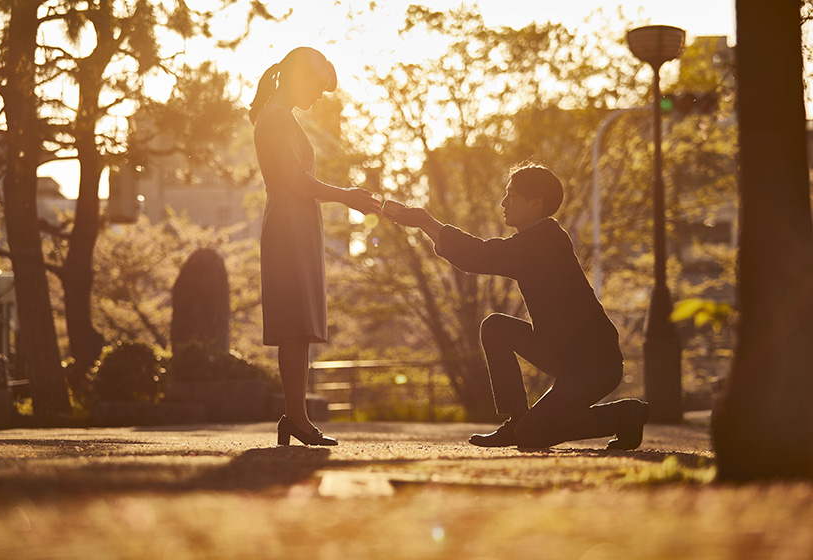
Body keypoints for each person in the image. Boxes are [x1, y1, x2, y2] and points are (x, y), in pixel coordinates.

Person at [382, 164, 649, 450]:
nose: (503, 202)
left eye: (511, 195)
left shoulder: (545, 240)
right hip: (562, 355)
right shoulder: (532, 240)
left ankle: (625, 414)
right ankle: (517, 419)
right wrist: (425, 224)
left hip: (593, 365)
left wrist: (426, 221)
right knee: (495, 327)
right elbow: (473, 260)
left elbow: (482, 254)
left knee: (533, 434)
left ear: (536, 202)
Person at [250, 47, 381, 446]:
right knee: (294, 324)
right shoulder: (273, 119)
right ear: (298, 77)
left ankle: (296, 417)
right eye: (318, 87)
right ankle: (296, 418)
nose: (319, 97)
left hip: (300, 225)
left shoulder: (283, 118)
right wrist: (346, 196)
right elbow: (295, 180)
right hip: (288, 226)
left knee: (302, 327)